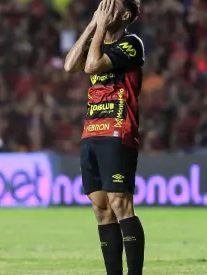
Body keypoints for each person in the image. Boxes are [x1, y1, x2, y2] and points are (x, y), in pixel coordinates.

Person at [63, 1, 145, 274]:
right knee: (101, 209)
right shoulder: (97, 41)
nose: (104, 8)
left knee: (120, 204)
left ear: (124, 14)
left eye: (111, 5)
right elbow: (70, 65)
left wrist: (99, 27)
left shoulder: (131, 43)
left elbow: (92, 66)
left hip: (117, 129)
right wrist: (91, 25)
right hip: (91, 131)